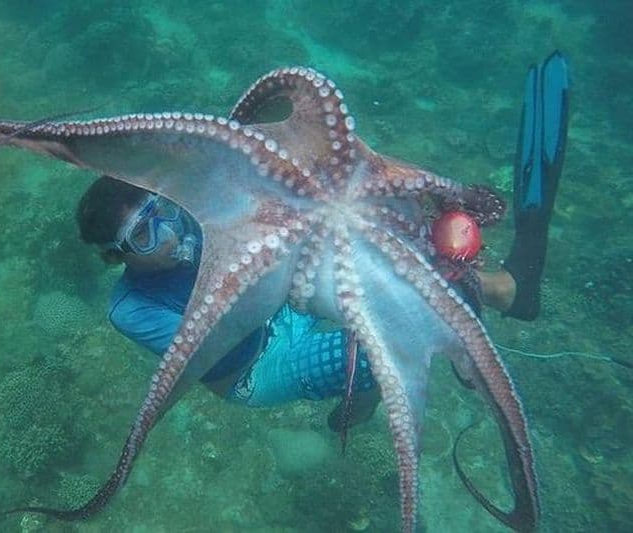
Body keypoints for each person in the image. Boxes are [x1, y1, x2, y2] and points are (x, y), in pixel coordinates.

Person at [75, 51, 569, 430]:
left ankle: (498, 292)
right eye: (142, 234)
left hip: (281, 305)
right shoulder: (129, 310)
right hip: (257, 366)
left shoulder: (195, 217)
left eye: (160, 209)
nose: (167, 231)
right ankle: (361, 405)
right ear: (114, 257)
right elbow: (218, 352)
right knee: (379, 348)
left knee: (390, 264)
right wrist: (298, 285)